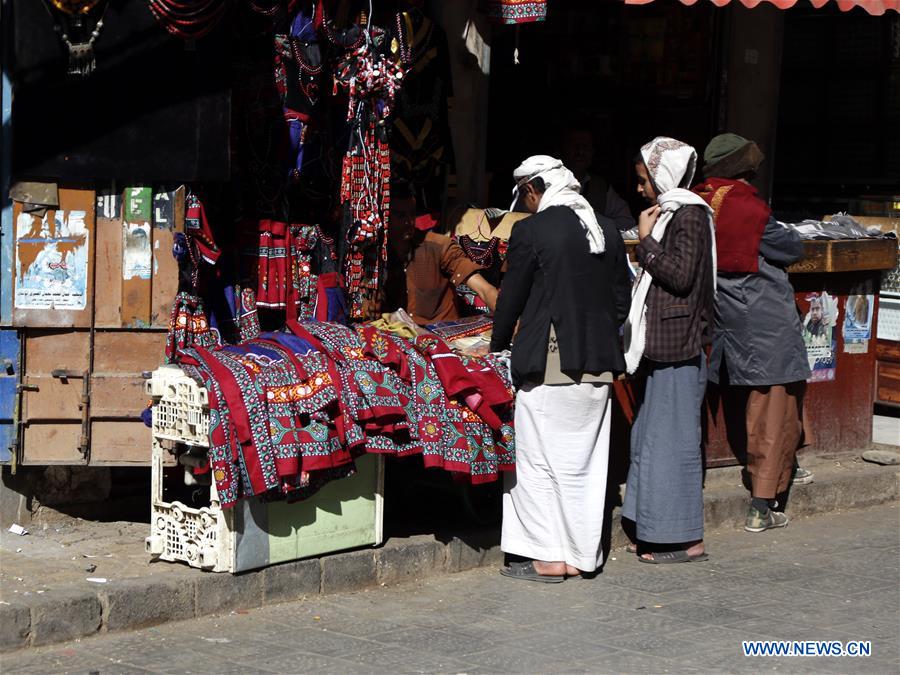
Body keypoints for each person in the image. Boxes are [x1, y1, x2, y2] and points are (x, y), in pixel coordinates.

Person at [491, 155, 630, 582]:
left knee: (538, 464)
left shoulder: (532, 230)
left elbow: (511, 298)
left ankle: (550, 558)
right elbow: (621, 301)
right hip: (598, 365)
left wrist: (498, 345)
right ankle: (580, 556)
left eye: (526, 197)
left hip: (551, 363)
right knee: (584, 466)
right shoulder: (604, 228)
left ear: (533, 189)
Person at [695, 133, 813, 533]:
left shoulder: (697, 200)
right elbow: (792, 248)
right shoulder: (749, 208)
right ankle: (761, 506)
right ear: (746, 172)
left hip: (723, 317)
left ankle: (788, 469)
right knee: (772, 408)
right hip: (763, 320)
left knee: (755, 405)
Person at [622, 137, 715, 564]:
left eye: (645, 180)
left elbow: (679, 276)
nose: (641, 189)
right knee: (649, 436)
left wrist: (645, 243)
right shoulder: (675, 212)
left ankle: (681, 539)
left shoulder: (691, 214)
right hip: (662, 345)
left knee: (670, 442)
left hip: (679, 345)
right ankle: (652, 528)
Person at [382, 187, 498, 325]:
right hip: (395, 337)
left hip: (439, 335)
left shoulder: (439, 246)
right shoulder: (376, 254)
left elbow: (484, 289)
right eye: (400, 216)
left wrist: (511, 325)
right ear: (385, 218)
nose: (409, 221)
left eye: (412, 214)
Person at [560, 125, 636, 232]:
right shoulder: (547, 184)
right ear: (563, 149)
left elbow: (626, 223)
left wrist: (592, 225)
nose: (580, 152)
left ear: (592, 152)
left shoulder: (600, 187)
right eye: (575, 145)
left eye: (585, 146)